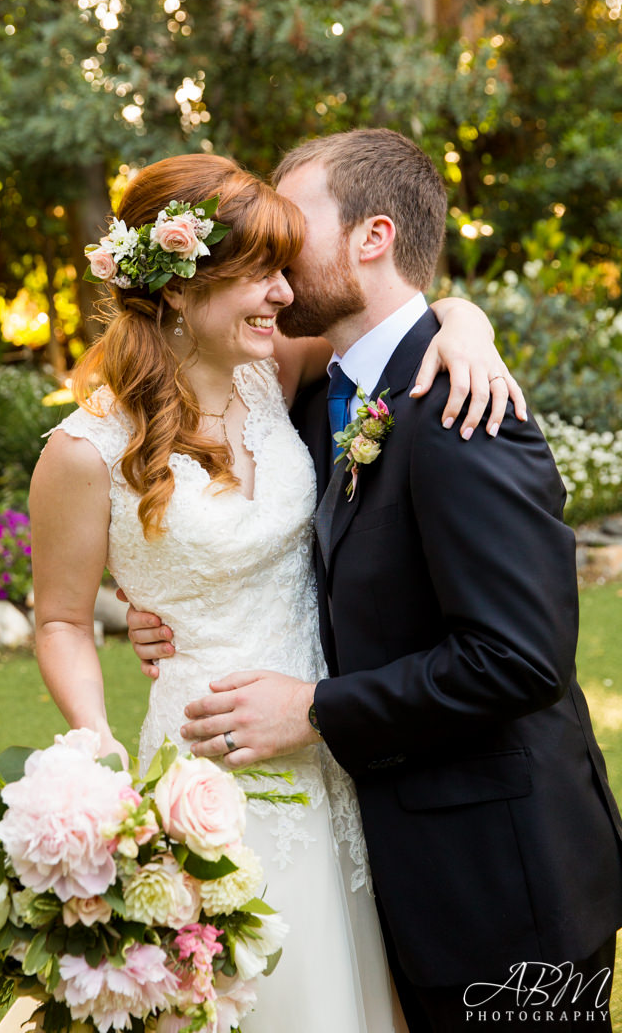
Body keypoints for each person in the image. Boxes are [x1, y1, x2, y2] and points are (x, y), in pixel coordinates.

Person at [15, 151, 522, 1033]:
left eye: (284, 269)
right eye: (258, 275)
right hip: (203, 761)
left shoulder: (275, 373)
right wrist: (95, 744)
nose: (285, 294)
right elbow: (59, 618)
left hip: (334, 744)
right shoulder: (79, 452)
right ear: (176, 290)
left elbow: (396, 316)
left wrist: (467, 322)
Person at [130, 131, 622, 1031]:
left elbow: (518, 660)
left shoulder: (462, 406)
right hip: (391, 864)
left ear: (373, 237)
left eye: (291, 224)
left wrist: (313, 708)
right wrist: (169, 598)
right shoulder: (323, 394)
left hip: (504, 886)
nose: (271, 249)